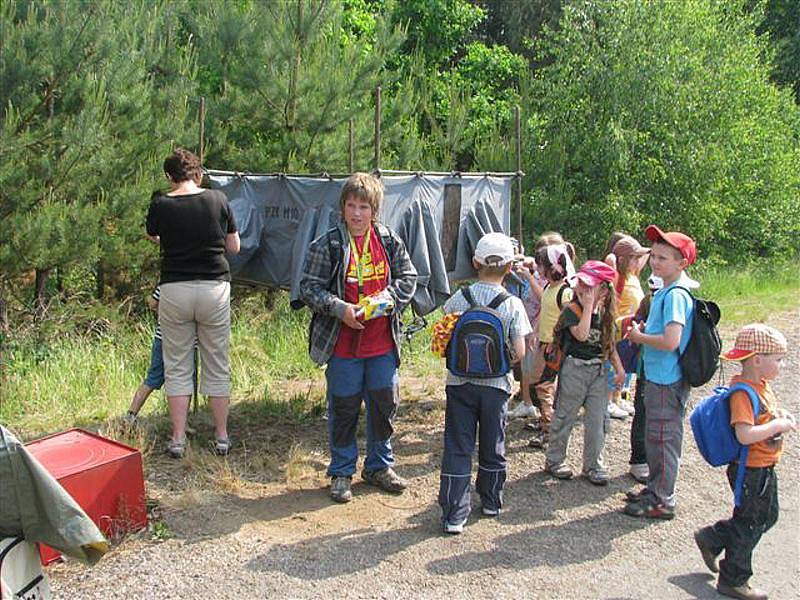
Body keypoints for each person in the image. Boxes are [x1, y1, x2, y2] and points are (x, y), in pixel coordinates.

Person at [298, 172, 417, 504]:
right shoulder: (328, 244)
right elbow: (308, 288)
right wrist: (339, 309)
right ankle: (341, 471)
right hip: (343, 346)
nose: (357, 213)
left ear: (374, 209)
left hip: (382, 345)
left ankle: (379, 466)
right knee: (344, 407)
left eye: (363, 206)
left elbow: (409, 278)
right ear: (343, 208)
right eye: (351, 205)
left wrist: (385, 301)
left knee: (384, 404)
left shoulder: (389, 241)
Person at [146, 148, 240, 459]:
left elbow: (154, 236)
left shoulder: (160, 203)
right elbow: (234, 246)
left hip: (174, 289)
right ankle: (222, 437)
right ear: (197, 172)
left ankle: (177, 439)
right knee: (217, 361)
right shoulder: (218, 200)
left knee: (177, 365)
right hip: (214, 287)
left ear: (169, 176)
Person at [438, 233, 532, 533]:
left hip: (459, 384)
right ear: (509, 268)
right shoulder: (513, 304)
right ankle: (491, 500)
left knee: (458, 445)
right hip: (496, 387)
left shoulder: (460, 298)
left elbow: (445, 327)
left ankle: (454, 514)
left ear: (475, 262)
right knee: (493, 442)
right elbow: (519, 351)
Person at [693, 324, 795, 600]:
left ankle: (713, 538)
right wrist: (778, 426)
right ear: (757, 360)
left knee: (765, 516)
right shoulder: (742, 393)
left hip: (764, 468)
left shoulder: (761, 386)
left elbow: (765, 415)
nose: (782, 365)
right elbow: (745, 433)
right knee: (751, 522)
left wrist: (778, 416)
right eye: (778, 359)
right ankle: (733, 579)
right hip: (750, 470)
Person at [624, 224, 696, 519]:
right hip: (656, 377)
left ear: (682, 263)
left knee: (664, 440)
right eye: (653, 256)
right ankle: (655, 489)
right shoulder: (665, 291)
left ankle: (663, 500)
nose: (655, 261)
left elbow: (671, 340)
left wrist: (639, 338)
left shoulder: (676, 294)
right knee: (654, 438)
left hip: (668, 380)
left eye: (663, 258)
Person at [543, 260, 625, 485]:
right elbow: (581, 334)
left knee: (598, 420)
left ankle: (593, 465)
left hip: (599, 370)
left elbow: (609, 344)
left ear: (603, 291)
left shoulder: (607, 313)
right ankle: (554, 459)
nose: (581, 290)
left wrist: (619, 369)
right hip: (575, 368)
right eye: (580, 284)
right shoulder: (572, 310)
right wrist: (588, 306)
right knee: (565, 415)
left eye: (589, 287)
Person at [124, 286, 197, 428]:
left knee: (153, 378)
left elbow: (152, 302)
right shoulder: (194, 284)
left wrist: (164, 311)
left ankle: (130, 415)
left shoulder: (167, 283)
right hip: (184, 340)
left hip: (165, 336)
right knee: (185, 381)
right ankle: (182, 424)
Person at [526, 239, 576, 449]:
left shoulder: (565, 292)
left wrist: (558, 341)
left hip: (554, 348)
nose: (538, 268)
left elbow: (570, 320)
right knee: (535, 383)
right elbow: (546, 313)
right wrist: (535, 333)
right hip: (543, 344)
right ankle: (545, 422)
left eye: (540, 265)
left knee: (544, 387)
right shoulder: (549, 288)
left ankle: (549, 432)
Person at [605, 234, 651, 419]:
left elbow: (645, 255)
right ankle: (607, 400)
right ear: (623, 260)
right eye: (633, 257)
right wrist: (613, 257)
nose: (638, 261)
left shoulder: (633, 275)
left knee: (625, 366)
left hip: (629, 329)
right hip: (617, 329)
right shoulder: (618, 275)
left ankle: (617, 398)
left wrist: (644, 251)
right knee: (613, 366)